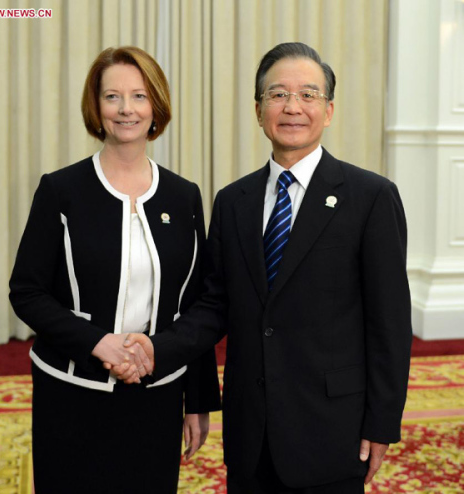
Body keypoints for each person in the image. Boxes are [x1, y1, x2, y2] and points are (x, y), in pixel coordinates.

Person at [116, 42, 412, 493]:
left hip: (333, 427)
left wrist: (383, 422)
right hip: (251, 428)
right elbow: (216, 303)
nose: (292, 107)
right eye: (278, 94)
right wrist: (159, 348)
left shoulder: (371, 197)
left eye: (308, 95)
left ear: (328, 111)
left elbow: (389, 322)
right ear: (258, 111)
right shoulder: (234, 201)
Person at [9, 46, 220, 494]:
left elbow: (199, 303)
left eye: (139, 96)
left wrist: (197, 401)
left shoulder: (185, 197)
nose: (127, 109)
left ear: (156, 106)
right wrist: (99, 343)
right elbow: (26, 291)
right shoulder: (60, 191)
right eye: (113, 97)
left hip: (156, 390)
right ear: (96, 106)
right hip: (71, 390)